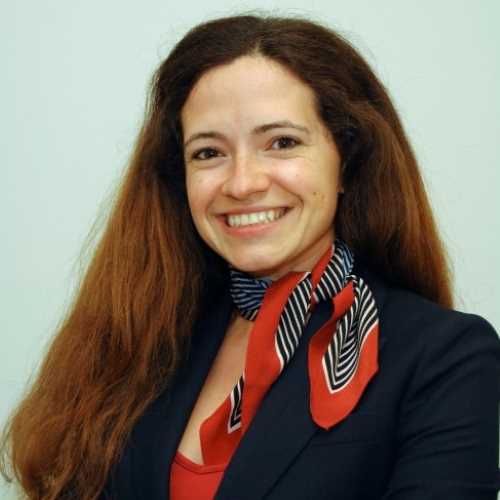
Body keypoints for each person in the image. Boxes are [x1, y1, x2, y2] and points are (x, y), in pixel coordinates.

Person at [1, 13, 499, 500]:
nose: (242, 183)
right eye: (208, 152)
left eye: (282, 143)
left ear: (347, 162)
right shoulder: (141, 338)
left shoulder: (447, 358)